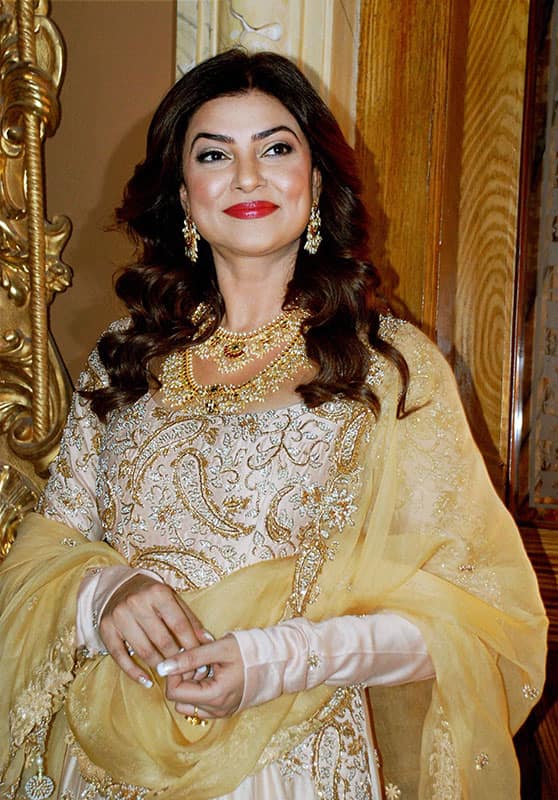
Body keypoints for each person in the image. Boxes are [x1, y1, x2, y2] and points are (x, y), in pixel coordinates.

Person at [0, 49, 547, 800]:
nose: (248, 177)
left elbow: (471, 619)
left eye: (277, 148)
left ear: (315, 184)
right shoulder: (123, 360)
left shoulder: (386, 368)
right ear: (184, 195)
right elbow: (43, 559)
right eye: (215, 154)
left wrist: (275, 659)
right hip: (100, 760)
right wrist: (105, 597)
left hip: (289, 762)